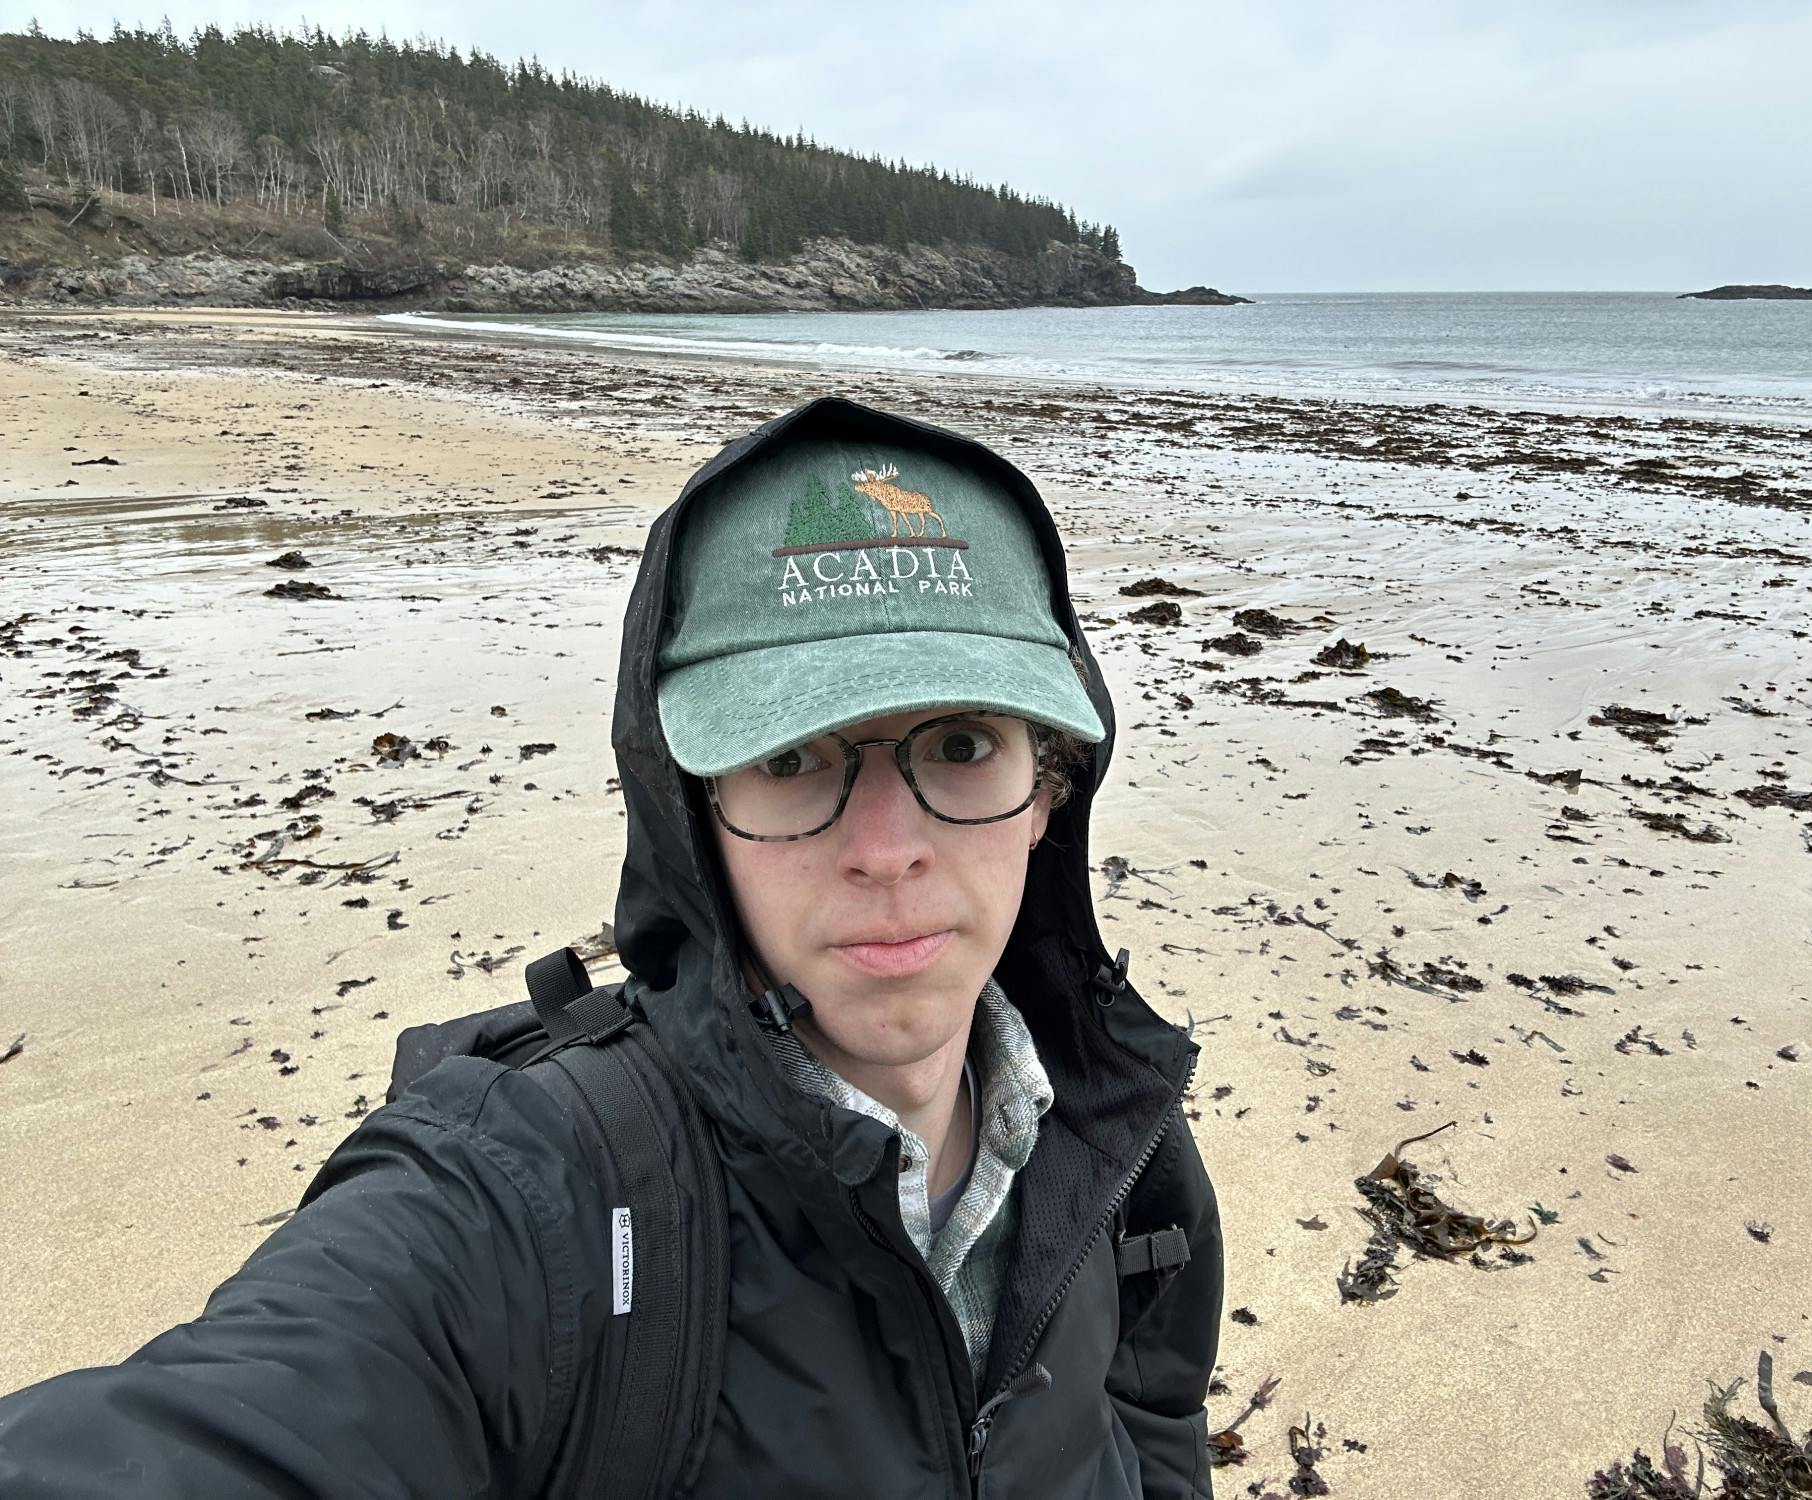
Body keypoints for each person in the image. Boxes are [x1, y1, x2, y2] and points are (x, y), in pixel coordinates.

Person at [0, 395, 1224, 1498]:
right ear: (692, 812)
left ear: (1048, 787)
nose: (886, 849)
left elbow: (1150, 1421)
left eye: (960, 746)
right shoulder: (526, 1201)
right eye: (791, 757)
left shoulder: (1114, 1139)